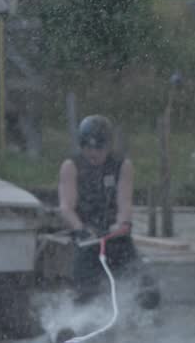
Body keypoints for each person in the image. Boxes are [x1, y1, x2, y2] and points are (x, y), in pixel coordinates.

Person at [57, 114, 139, 305]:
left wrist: (123, 223)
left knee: (147, 292)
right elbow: (66, 207)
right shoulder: (71, 166)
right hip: (87, 240)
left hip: (116, 237)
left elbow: (124, 202)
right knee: (86, 294)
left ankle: (138, 321)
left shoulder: (122, 165)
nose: (93, 152)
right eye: (87, 147)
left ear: (108, 146)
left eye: (99, 147)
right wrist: (81, 229)